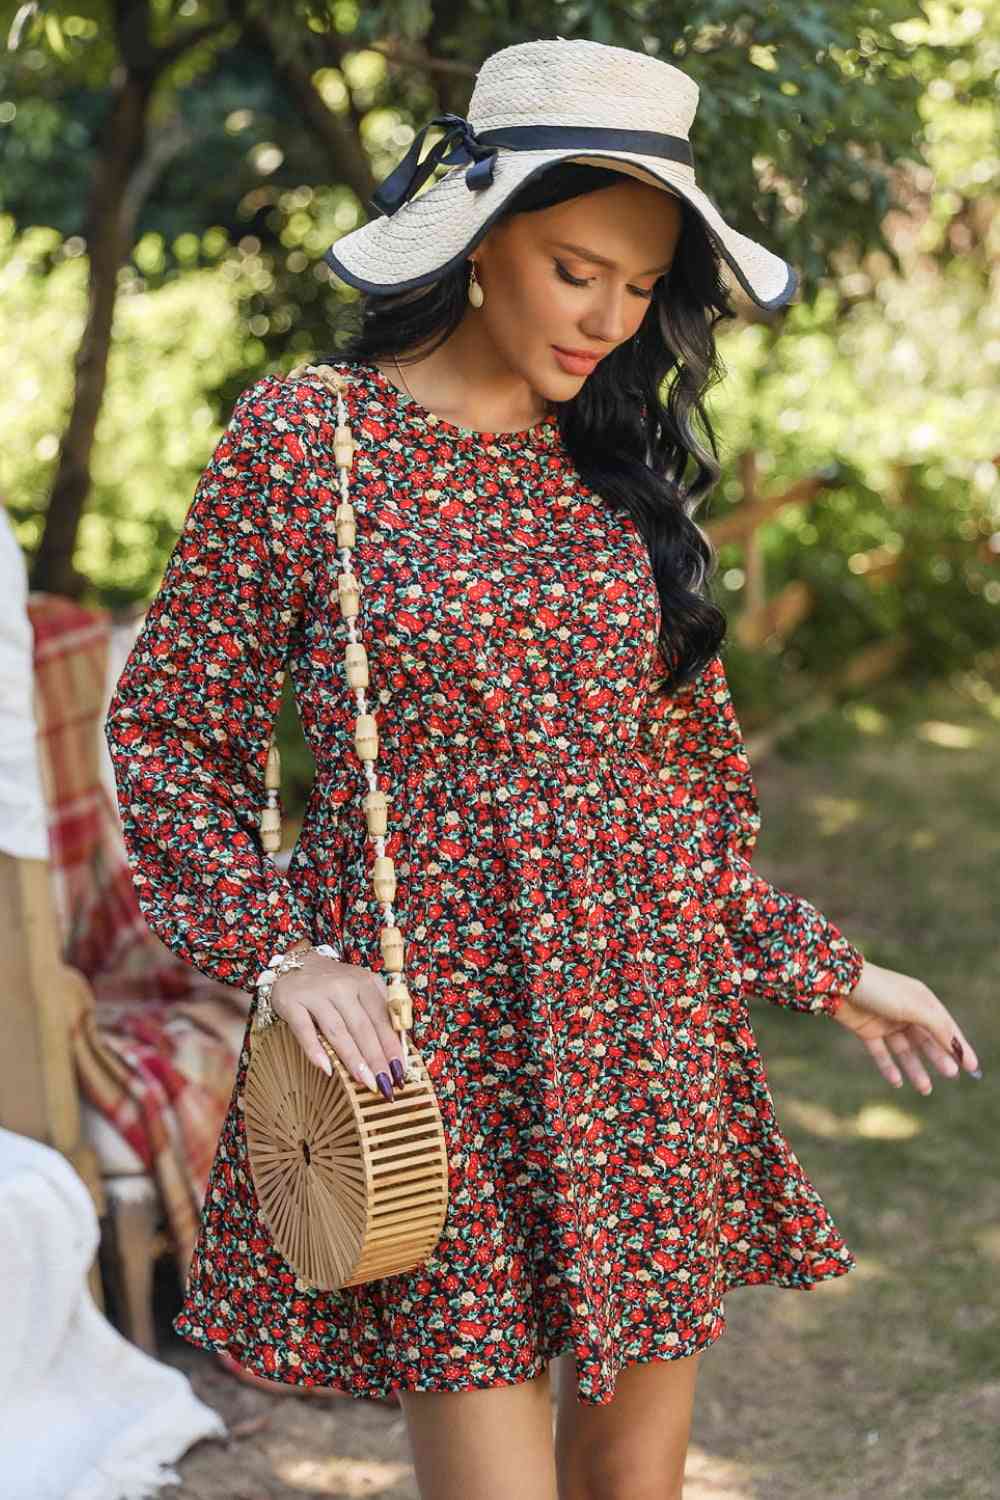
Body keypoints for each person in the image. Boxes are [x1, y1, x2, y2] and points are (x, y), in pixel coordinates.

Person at [104, 36, 982, 1500]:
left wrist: (834, 972)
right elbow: (172, 733)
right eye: (578, 270)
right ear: (482, 239)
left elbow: (671, 814)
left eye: (642, 287)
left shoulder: (619, 472)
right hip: (434, 1051)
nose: (610, 318)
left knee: (633, 1486)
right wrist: (281, 954)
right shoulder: (313, 441)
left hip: (643, 1039)